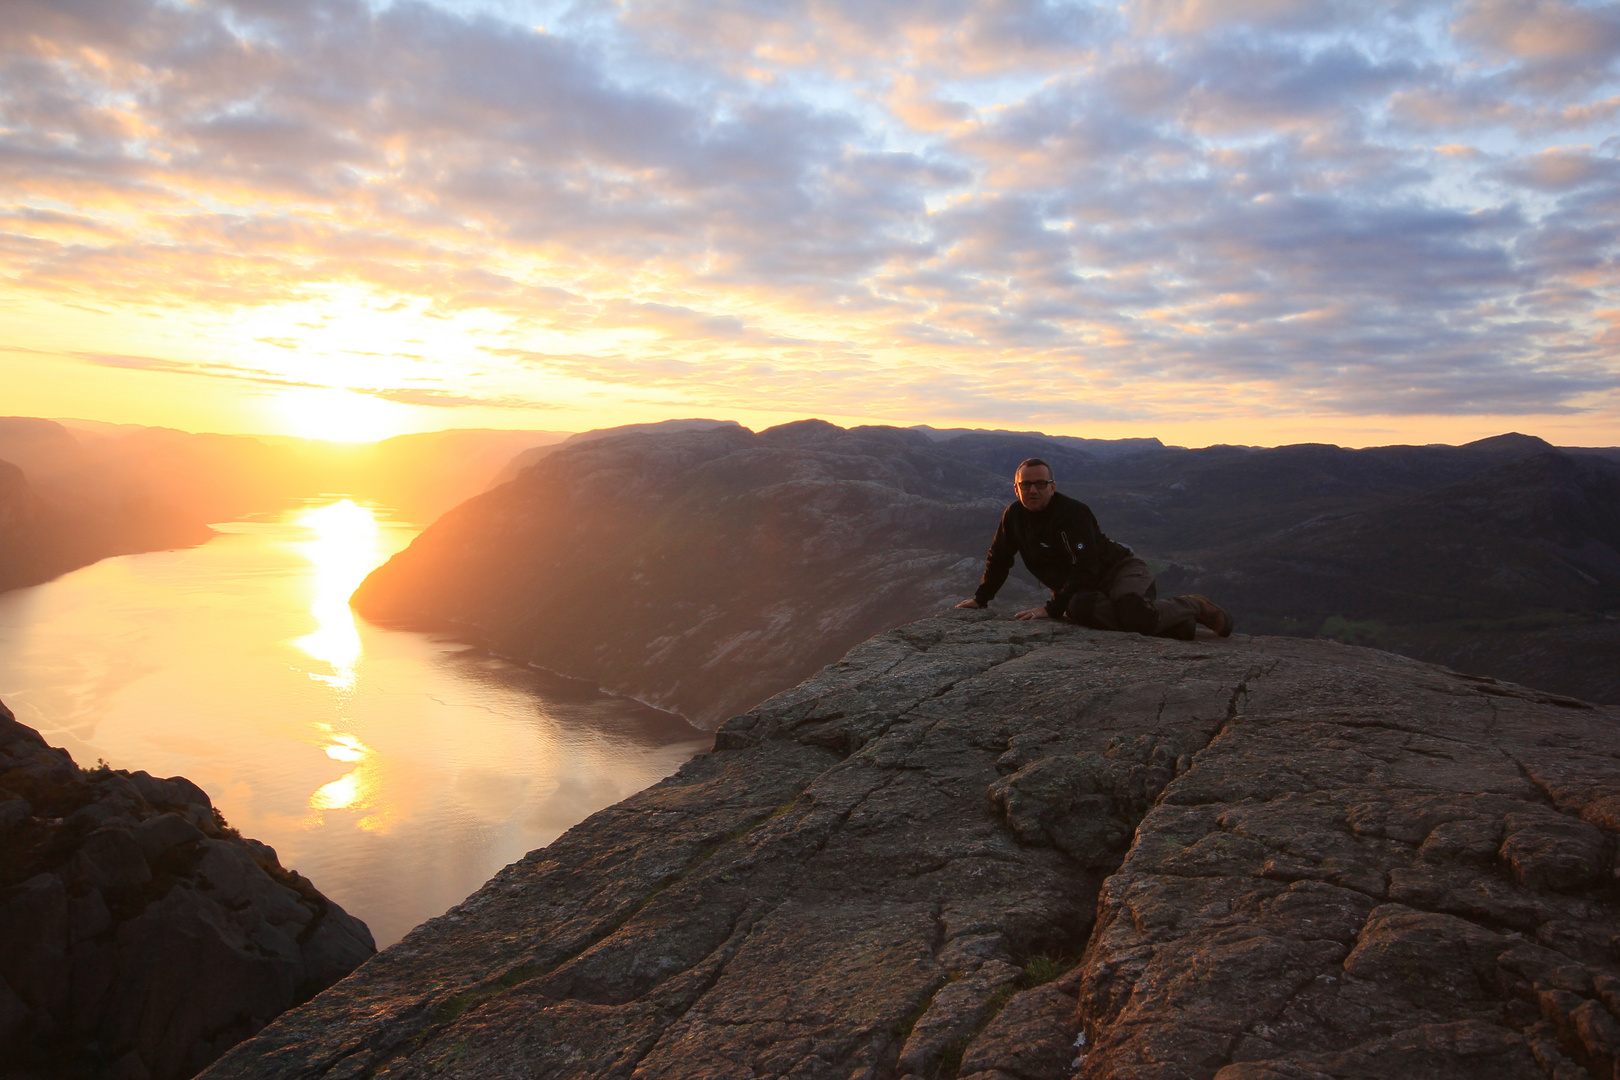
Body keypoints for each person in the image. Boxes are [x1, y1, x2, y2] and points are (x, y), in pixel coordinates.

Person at [955, 458, 1234, 639]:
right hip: (1084, 588)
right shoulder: (1013, 516)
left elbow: (1085, 565)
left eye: (1041, 484)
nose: (1033, 490)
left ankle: (1192, 605)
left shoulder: (1072, 513)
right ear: (1016, 489)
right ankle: (1174, 625)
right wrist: (981, 598)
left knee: (1131, 612)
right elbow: (1000, 558)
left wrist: (1051, 609)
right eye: (1026, 485)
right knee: (1080, 608)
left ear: (1053, 487)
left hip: (1119, 571)